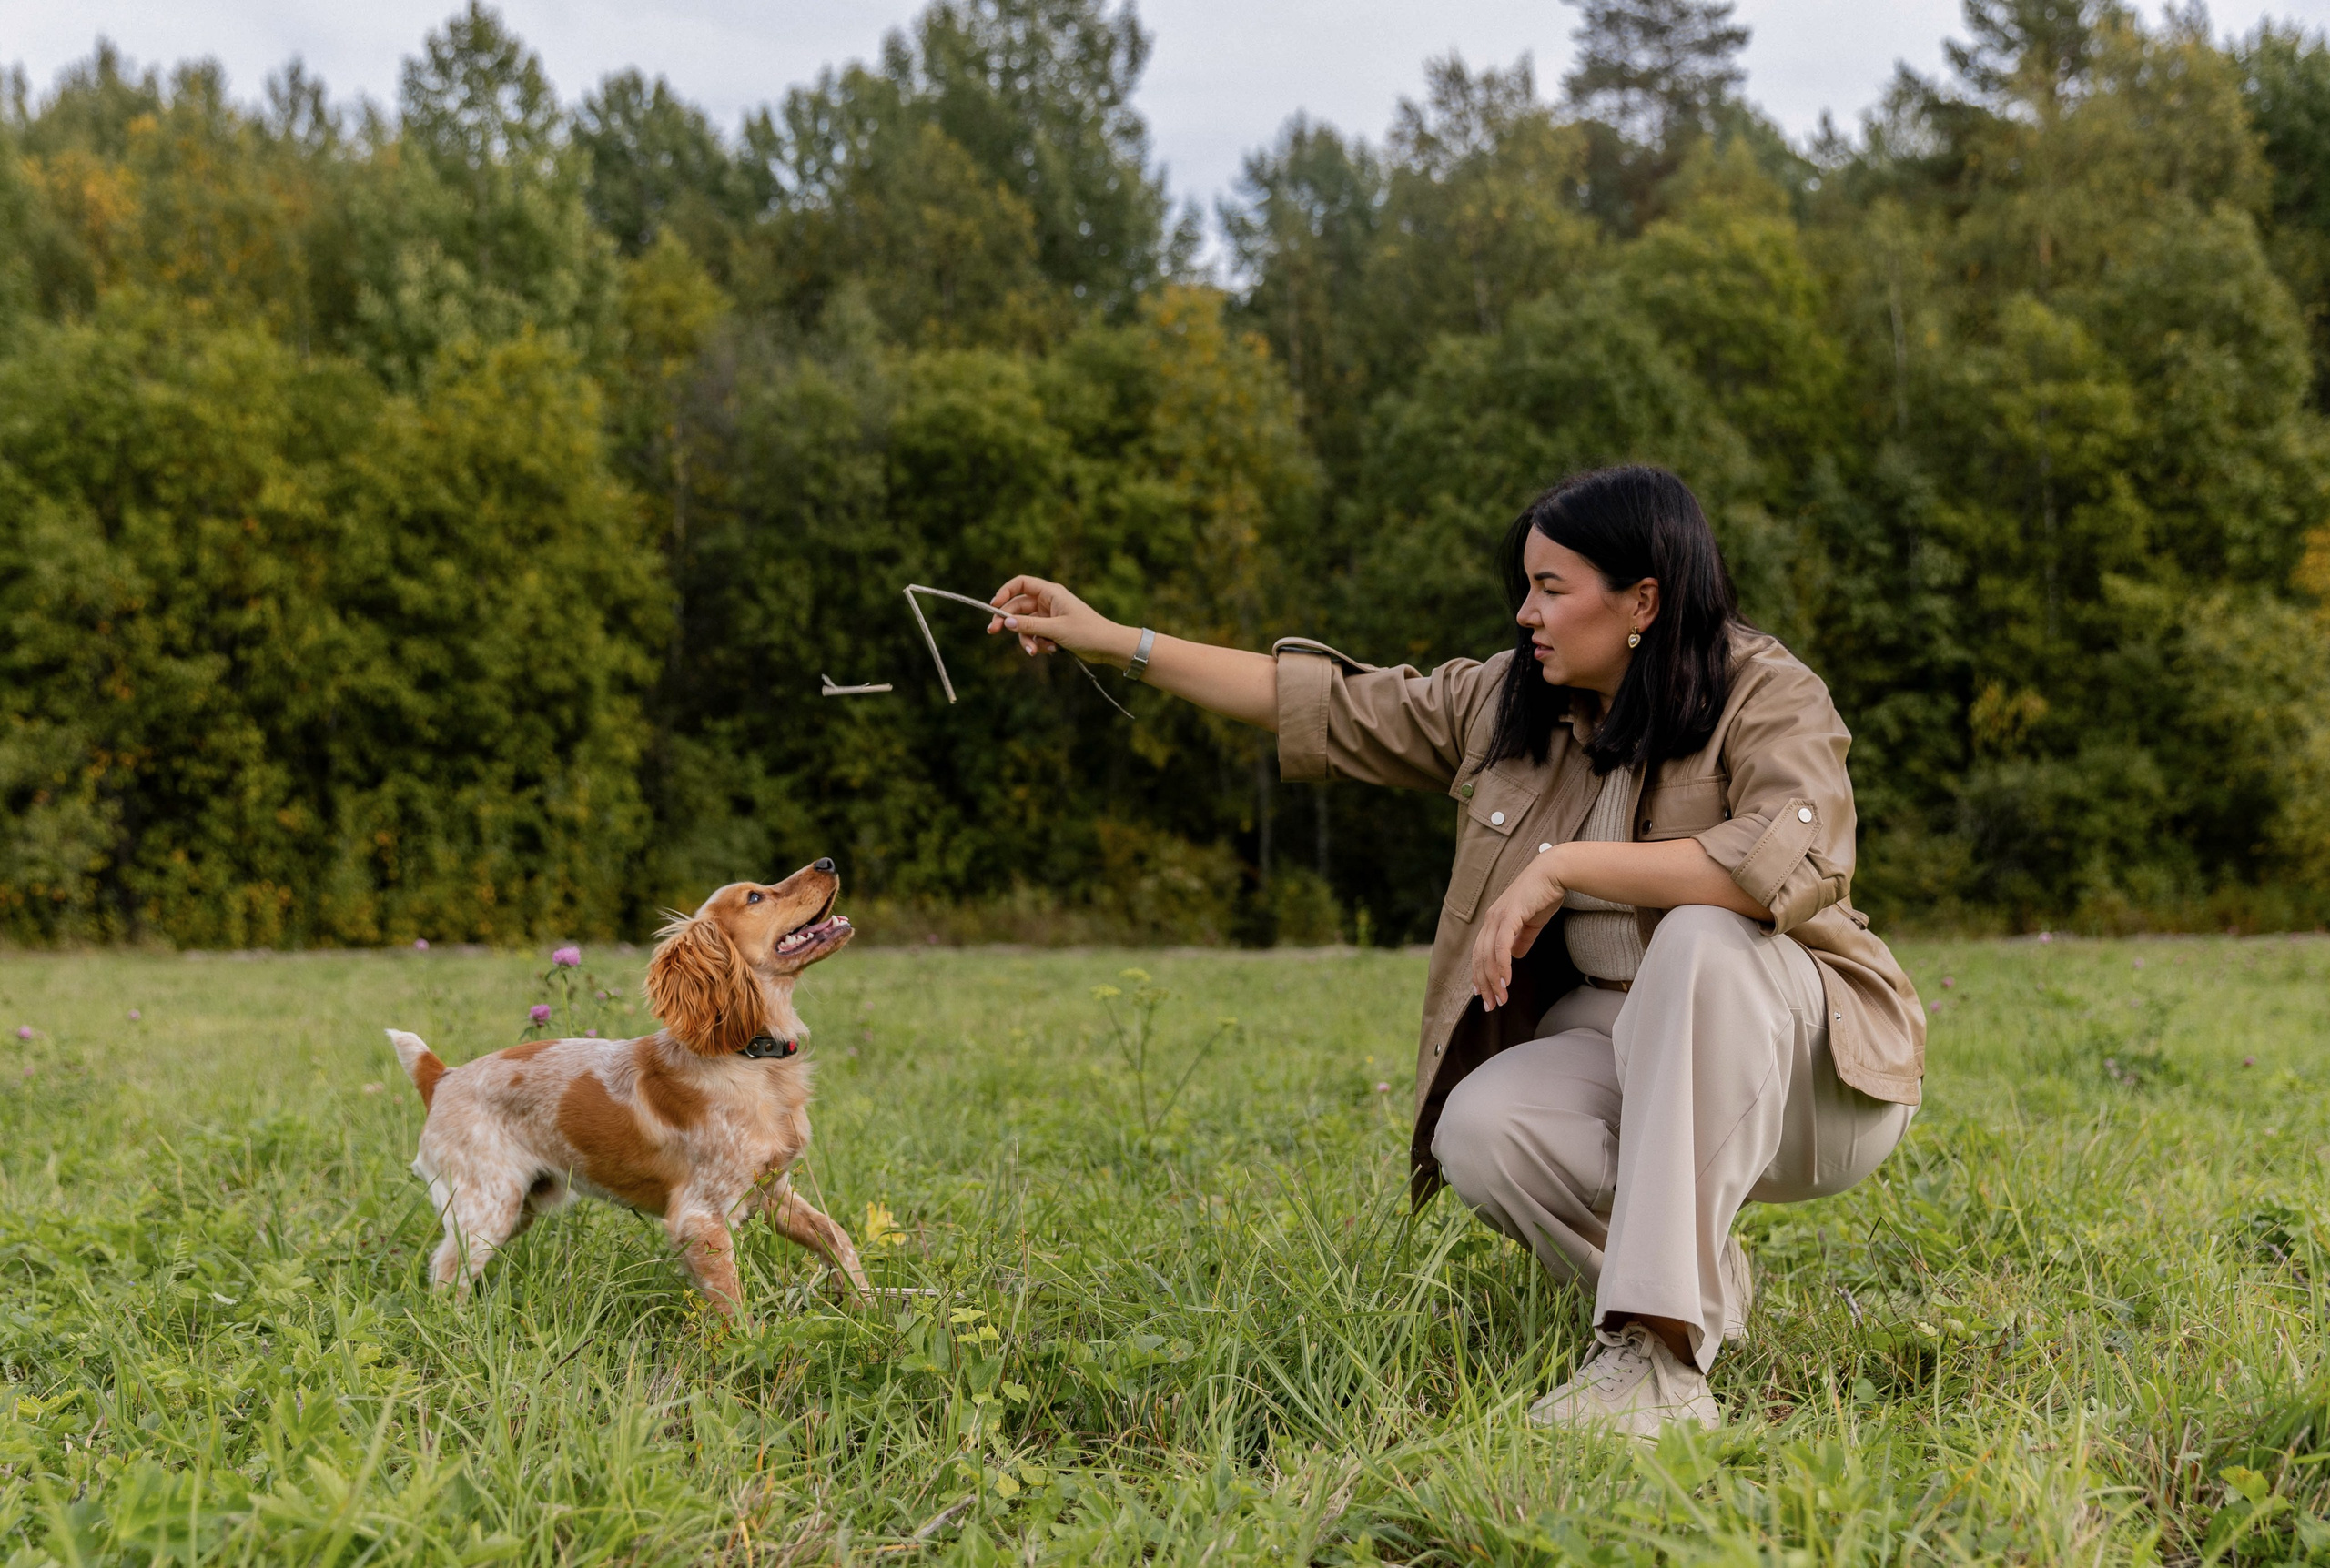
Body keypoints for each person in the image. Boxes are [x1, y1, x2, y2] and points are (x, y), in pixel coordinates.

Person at [986, 464, 1923, 1437]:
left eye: (1551, 589)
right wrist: (1112, 640)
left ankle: (1656, 1362)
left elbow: (1787, 862)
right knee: (1479, 1125)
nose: (1526, 613)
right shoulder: (1506, 705)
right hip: (1624, 1040)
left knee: (1696, 938)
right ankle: (1694, 1280)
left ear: (1642, 598)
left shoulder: (1764, 691)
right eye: (1525, 586)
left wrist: (1561, 867)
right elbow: (1321, 700)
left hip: (1813, 1080)